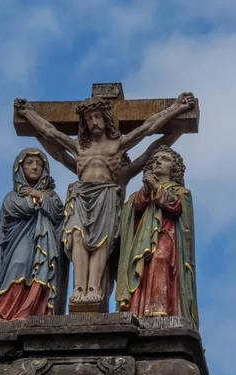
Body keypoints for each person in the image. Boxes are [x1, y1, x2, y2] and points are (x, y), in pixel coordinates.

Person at [14, 93, 195, 308]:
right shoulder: (80, 148)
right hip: (81, 194)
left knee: (103, 243)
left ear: (106, 118)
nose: (93, 122)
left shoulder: (116, 146)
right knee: (77, 239)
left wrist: (176, 109)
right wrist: (29, 114)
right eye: (89, 119)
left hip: (106, 195)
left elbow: (148, 128)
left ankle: (94, 289)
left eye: (98, 117)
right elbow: (51, 135)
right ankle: (79, 288)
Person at [115, 145, 199, 327]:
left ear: (174, 168)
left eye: (165, 159)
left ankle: (159, 310)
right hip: (141, 241)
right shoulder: (141, 193)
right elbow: (133, 211)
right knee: (142, 268)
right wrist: (146, 192)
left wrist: (157, 189)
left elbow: (176, 207)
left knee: (160, 259)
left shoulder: (182, 192)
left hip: (167, 235)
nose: (158, 161)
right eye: (155, 160)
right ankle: (137, 311)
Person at [0, 148, 68, 321]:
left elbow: (59, 212)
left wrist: (39, 195)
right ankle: (5, 313)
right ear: (20, 168)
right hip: (19, 240)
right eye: (29, 163)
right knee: (18, 264)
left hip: (45, 242)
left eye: (39, 164)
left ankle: (34, 312)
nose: (35, 167)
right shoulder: (12, 197)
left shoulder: (51, 196)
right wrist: (38, 201)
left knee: (42, 273)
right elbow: (18, 208)